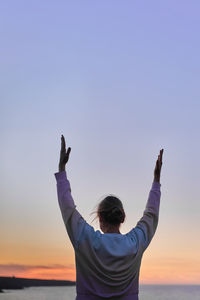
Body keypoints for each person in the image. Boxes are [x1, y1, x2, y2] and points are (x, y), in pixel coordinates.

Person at [54, 135, 163, 300]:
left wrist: (62, 169)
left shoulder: (85, 239)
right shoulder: (135, 244)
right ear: (123, 217)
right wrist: (156, 180)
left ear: (99, 217)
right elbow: (151, 215)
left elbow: (67, 207)